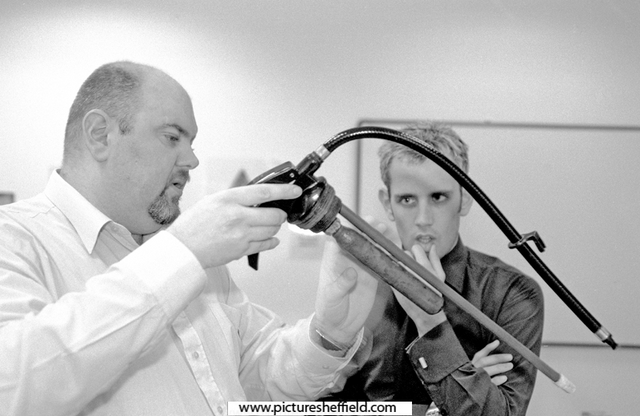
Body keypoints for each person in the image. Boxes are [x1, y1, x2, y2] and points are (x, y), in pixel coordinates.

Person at [0, 61, 378, 416]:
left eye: (191, 142)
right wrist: (180, 254)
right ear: (100, 135)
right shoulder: (14, 239)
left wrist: (330, 332)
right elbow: (13, 384)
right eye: (172, 137)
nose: (192, 160)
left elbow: (253, 378)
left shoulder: (191, 257)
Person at [325, 122, 544, 416]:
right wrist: (456, 392)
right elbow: (321, 405)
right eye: (407, 200)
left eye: (438, 197)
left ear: (465, 198)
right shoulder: (358, 283)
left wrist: (429, 320)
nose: (423, 219)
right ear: (387, 204)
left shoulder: (512, 292)